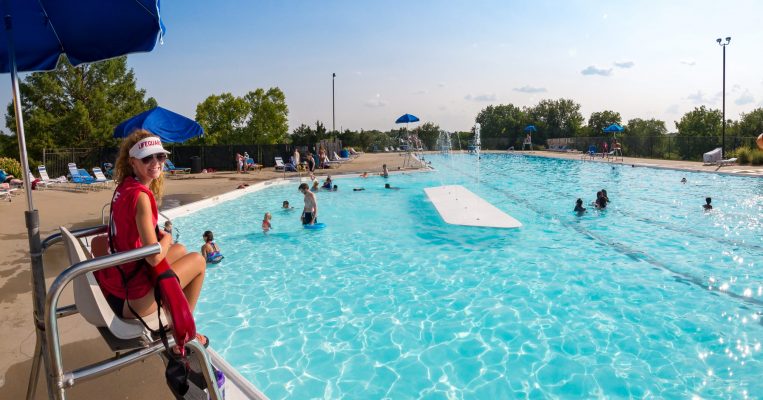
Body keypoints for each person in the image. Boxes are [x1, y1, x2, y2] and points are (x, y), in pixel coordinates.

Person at [93, 131, 207, 345]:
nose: (155, 162)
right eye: (147, 158)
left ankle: (174, 319)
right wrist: (166, 239)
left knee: (180, 250)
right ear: (133, 162)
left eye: (160, 156)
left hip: (117, 285)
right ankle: (182, 333)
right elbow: (153, 258)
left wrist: (166, 242)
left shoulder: (124, 186)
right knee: (199, 261)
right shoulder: (141, 197)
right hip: (132, 301)